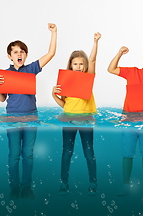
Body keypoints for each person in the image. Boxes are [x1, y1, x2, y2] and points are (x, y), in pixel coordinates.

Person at [0, 23, 57, 199]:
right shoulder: (5, 74)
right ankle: (14, 187)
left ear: (26, 55)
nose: (19, 54)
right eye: (15, 52)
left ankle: (27, 187)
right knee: (14, 154)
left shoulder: (30, 69)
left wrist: (54, 32)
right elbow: (2, 99)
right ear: (9, 56)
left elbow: (50, 54)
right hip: (12, 119)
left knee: (28, 154)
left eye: (22, 51)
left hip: (31, 117)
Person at [107, 45, 143, 196]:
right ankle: (125, 185)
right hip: (129, 120)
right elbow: (111, 69)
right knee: (127, 154)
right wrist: (119, 53)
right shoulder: (132, 72)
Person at [52, 32, 101, 196]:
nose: (78, 66)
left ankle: (93, 183)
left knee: (89, 153)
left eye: (81, 64)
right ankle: (63, 183)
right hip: (69, 121)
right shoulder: (66, 82)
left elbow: (93, 59)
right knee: (66, 152)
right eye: (75, 64)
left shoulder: (88, 78)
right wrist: (54, 95)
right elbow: (65, 104)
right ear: (70, 65)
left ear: (85, 66)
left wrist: (95, 42)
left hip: (86, 121)